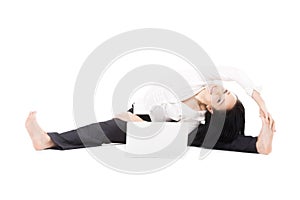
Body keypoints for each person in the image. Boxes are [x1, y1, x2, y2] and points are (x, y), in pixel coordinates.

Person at [25, 67, 275, 154]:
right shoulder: (205, 77)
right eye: (227, 91)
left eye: (220, 99)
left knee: (113, 128)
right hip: (140, 107)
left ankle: (47, 141)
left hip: (148, 123)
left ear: (211, 109)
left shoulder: (194, 119)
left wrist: (134, 122)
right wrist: (260, 103)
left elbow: (161, 131)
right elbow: (237, 74)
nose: (219, 91)